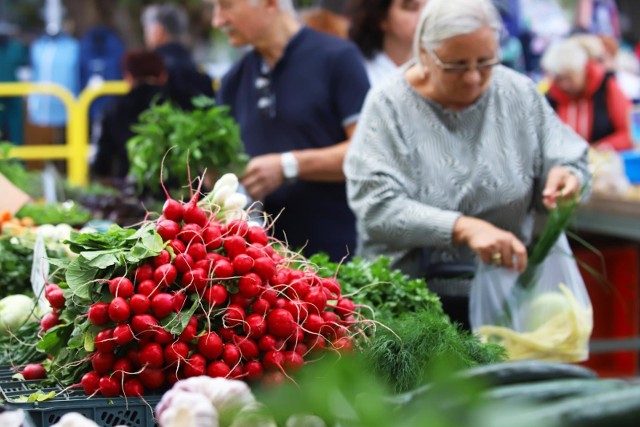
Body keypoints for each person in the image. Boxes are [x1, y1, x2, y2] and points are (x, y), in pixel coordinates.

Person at [344, 0, 590, 328]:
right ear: (424, 53)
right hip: (408, 308)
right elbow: (376, 207)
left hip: (506, 299)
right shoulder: (389, 106)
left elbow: (568, 155)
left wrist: (568, 176)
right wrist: (463, 228)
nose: (474, 78)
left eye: (486, 62)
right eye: (456, 66)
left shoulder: (516, 93)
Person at [213, 0, 370, 261]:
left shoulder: (338, 58)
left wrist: (288, 165)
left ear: (270, 3)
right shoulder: (232, 81)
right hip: (260, 266)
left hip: (338, 258)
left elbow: (368, 153)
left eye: (226, 6)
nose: (217, 21)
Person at [541, 37, 633, 151]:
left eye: (569, 78)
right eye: (559, 79)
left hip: (605, 160)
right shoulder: (550, 97)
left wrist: (600, 148)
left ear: (582, 70)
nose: (564, 85)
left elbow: (630, 132)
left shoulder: (606, 86)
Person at [92, 50, 167, 182]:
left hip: (128, 188)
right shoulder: (176, 105)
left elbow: (100, 163)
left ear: (128, 77)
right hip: (179, 192)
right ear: (162, 75)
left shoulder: (112, 109)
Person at [142, 4, 214, 110]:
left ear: (158, 30)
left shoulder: (151, 70)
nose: (145, 36)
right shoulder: (197, 69)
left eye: (146, 29)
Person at [347, 0, 426, 86]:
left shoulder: (435, 68)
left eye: (428, 7)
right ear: (382, 17)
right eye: (411, 8)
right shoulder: (359, 69)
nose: (423, 16)